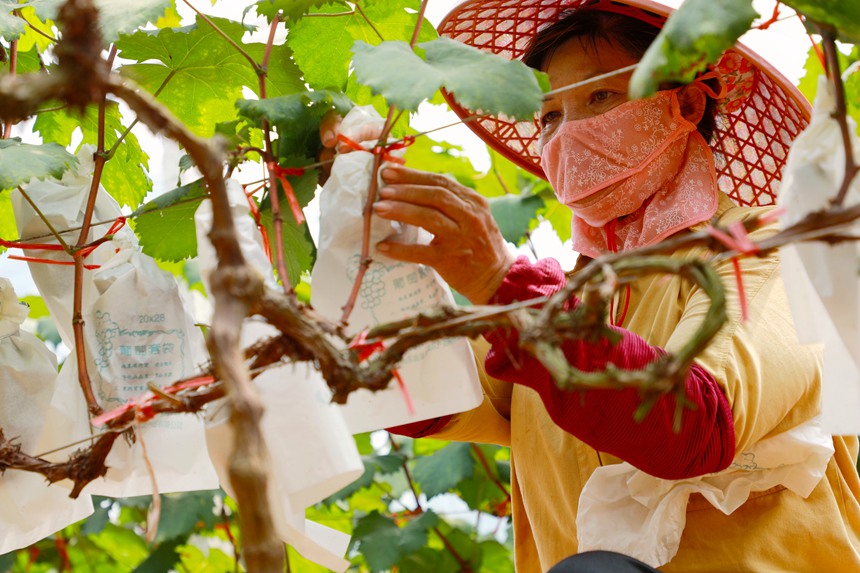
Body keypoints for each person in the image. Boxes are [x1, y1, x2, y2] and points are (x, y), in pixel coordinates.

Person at [322, 1, 860, 571]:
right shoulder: (574, 295)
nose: (566, 134)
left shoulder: (772, 250)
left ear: (685, 103)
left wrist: (503, 285)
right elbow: (427, 399)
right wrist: (375, 242)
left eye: (600, 98)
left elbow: (696, 424)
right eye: (549, 115)